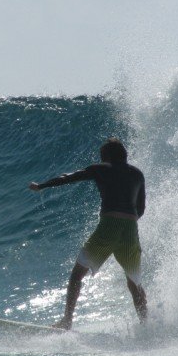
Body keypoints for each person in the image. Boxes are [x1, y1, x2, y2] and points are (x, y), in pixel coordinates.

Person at [29, 137, 147, 330]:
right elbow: (140, 209)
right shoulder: (137, 174)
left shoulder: (100, 169)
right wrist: (125, 222)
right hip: (130, 230)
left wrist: (42, 186)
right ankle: (146, 326)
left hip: (110, 226)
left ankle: (67, 321)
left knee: (77, 274)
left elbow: (69, 177)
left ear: (107, 156)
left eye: (102, 155)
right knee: (134, 282)